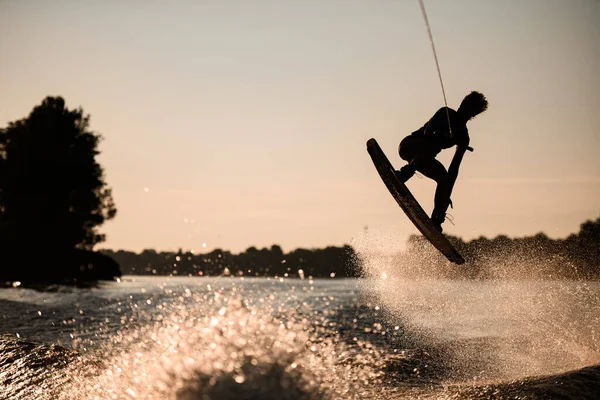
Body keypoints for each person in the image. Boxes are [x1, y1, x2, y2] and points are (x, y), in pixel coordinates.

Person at [395, 91, 488, 232]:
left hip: (424, 159)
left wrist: (446, 194)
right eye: (464, 105)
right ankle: (405, 173)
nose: (463, 109)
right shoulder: (446, 113)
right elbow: (427, 132)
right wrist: (440, 135)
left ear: (473, 114)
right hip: (409, 146)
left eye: (469, 109)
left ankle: (437, 218)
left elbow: (454, 169)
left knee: (445, 180)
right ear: (461, 103)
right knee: (431, 146)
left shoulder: (463, 137)